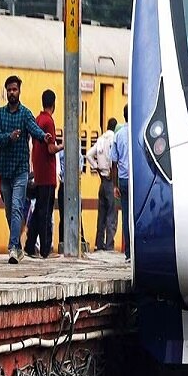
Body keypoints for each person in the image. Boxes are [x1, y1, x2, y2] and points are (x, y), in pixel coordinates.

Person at [0, 75, 53, 264]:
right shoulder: (0, 114)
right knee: (10, 211)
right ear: (6, 92)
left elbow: (34, 129)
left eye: (15, 89)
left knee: (18, 207)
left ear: (19, 91)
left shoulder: (25, 114)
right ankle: (17, 245)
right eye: (9, 90)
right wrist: (9, 137)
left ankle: (12, 248)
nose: (12, 92)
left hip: (20, 171)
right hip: (4, 170)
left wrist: (44, 137)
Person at [23, 90, 63, 259]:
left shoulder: (38, 119)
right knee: (45, 212)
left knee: (39, 210)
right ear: (54, 104)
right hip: (47, 173)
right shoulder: (49, 121)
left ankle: (30, 245)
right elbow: (51, 148)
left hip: (38, 172)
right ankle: (46, 250)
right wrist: (63, 145)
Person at [88, 119, 117, 251]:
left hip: (102, 180)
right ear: (115, 127)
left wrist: (97, 167)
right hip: (110, 181)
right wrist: (111, 170)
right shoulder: (113, 139)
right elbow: (113, 158)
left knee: (102, 215)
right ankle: (109, 245)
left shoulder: (100, 139)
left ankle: (99, 244)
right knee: (111, 214)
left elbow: (88, 155)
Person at [55, 145, 88, 254]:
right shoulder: (73, 153)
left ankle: (66, 241)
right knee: (73, 216)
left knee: (67, 216)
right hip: (71, 187)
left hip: (67, 186)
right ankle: (75, 241)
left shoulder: (63, 153)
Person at [110, 106, 131, 260]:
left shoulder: (118, 135)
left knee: (125, 215)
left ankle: (128, 252)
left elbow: (114, 162)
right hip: (137, 180)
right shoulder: (139, 131)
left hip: (123, 180)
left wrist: (115, 185)